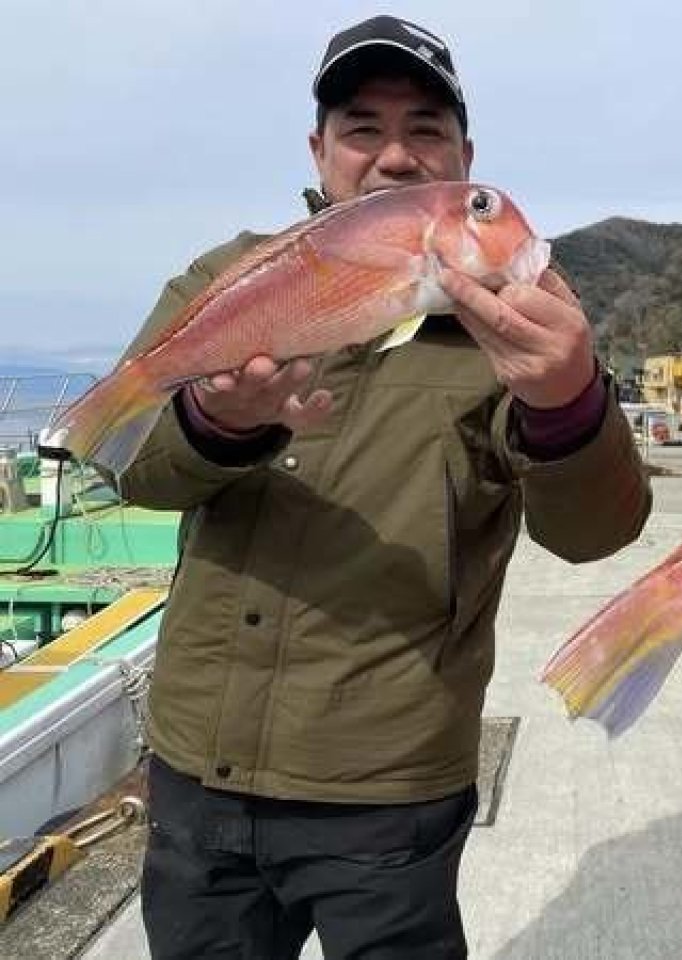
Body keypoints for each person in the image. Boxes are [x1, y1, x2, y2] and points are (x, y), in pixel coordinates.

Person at [115, 15, 651, 960]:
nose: (395, 156)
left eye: (427, 131)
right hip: (200, 767)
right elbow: (139, 469)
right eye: (363, 128)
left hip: (388, 791)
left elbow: (595, 531)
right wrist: (219, 422)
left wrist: (568, 402)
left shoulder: (519, 316)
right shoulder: (229, 277)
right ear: (320, 151)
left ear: (463, 157)